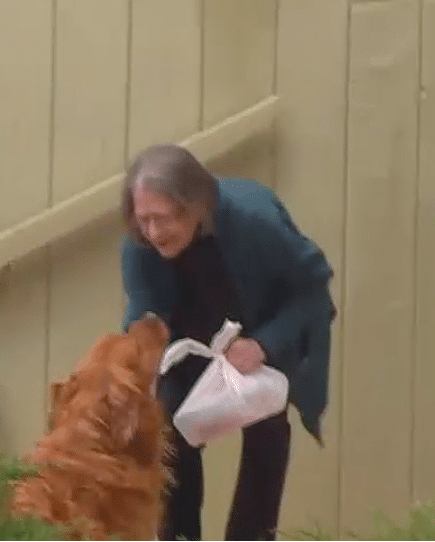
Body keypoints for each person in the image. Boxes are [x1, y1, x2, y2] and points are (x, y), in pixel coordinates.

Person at [119, 144, 336, 541]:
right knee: (168, 439)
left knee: (267, 438)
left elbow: (312, 291)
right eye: (143, 219)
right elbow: (143, 310)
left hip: (258, 337)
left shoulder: (256, 219)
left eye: (162, 219)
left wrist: (264, 345)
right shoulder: (140, 242)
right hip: (185, 347)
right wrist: (139, 362)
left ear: (196, 205)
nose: (152, 232)